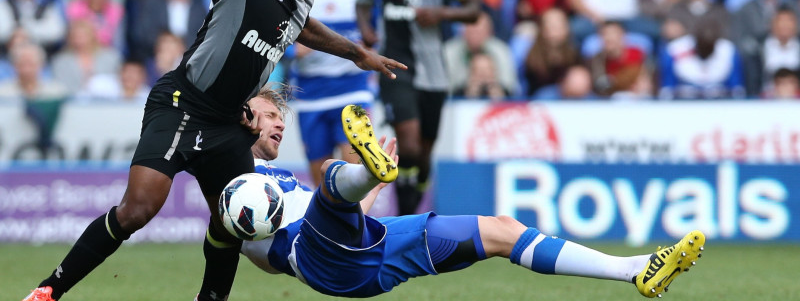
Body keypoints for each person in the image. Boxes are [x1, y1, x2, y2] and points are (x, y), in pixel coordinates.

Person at [20, 0, 405, 299]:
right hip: (184, 104)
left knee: (231, 223)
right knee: (137, 210)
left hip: (227, 123)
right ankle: (49, 291)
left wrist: (358, 54)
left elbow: (304, 28)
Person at [239, 89, 705, 299]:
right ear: (242, 118)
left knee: (503, 230)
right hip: (318, 257)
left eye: (282, 115)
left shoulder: (276, 181)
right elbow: (272, 253)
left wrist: (377, 185)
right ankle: (356, 170)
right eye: (268, 114)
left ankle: (636, 271)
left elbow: (346, 223)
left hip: (363, 251)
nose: (281, 122)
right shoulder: (236, 180)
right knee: (332, 171)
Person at [356, 0, 480, 215]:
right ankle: (406, 217)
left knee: (423, 153)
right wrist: (366, 29)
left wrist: (441, 13)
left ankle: (415, 196)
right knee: (407, 147)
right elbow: (363, 1)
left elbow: (473, 10)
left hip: (434, 69)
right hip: (395, 64)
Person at [292, 0, 371, 187]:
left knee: (354, 175)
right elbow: (278, 38)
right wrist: (294, 49)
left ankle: (356, 228)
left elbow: (379, 33)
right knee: (321, 182)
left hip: (352, 89)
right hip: (311, 93)